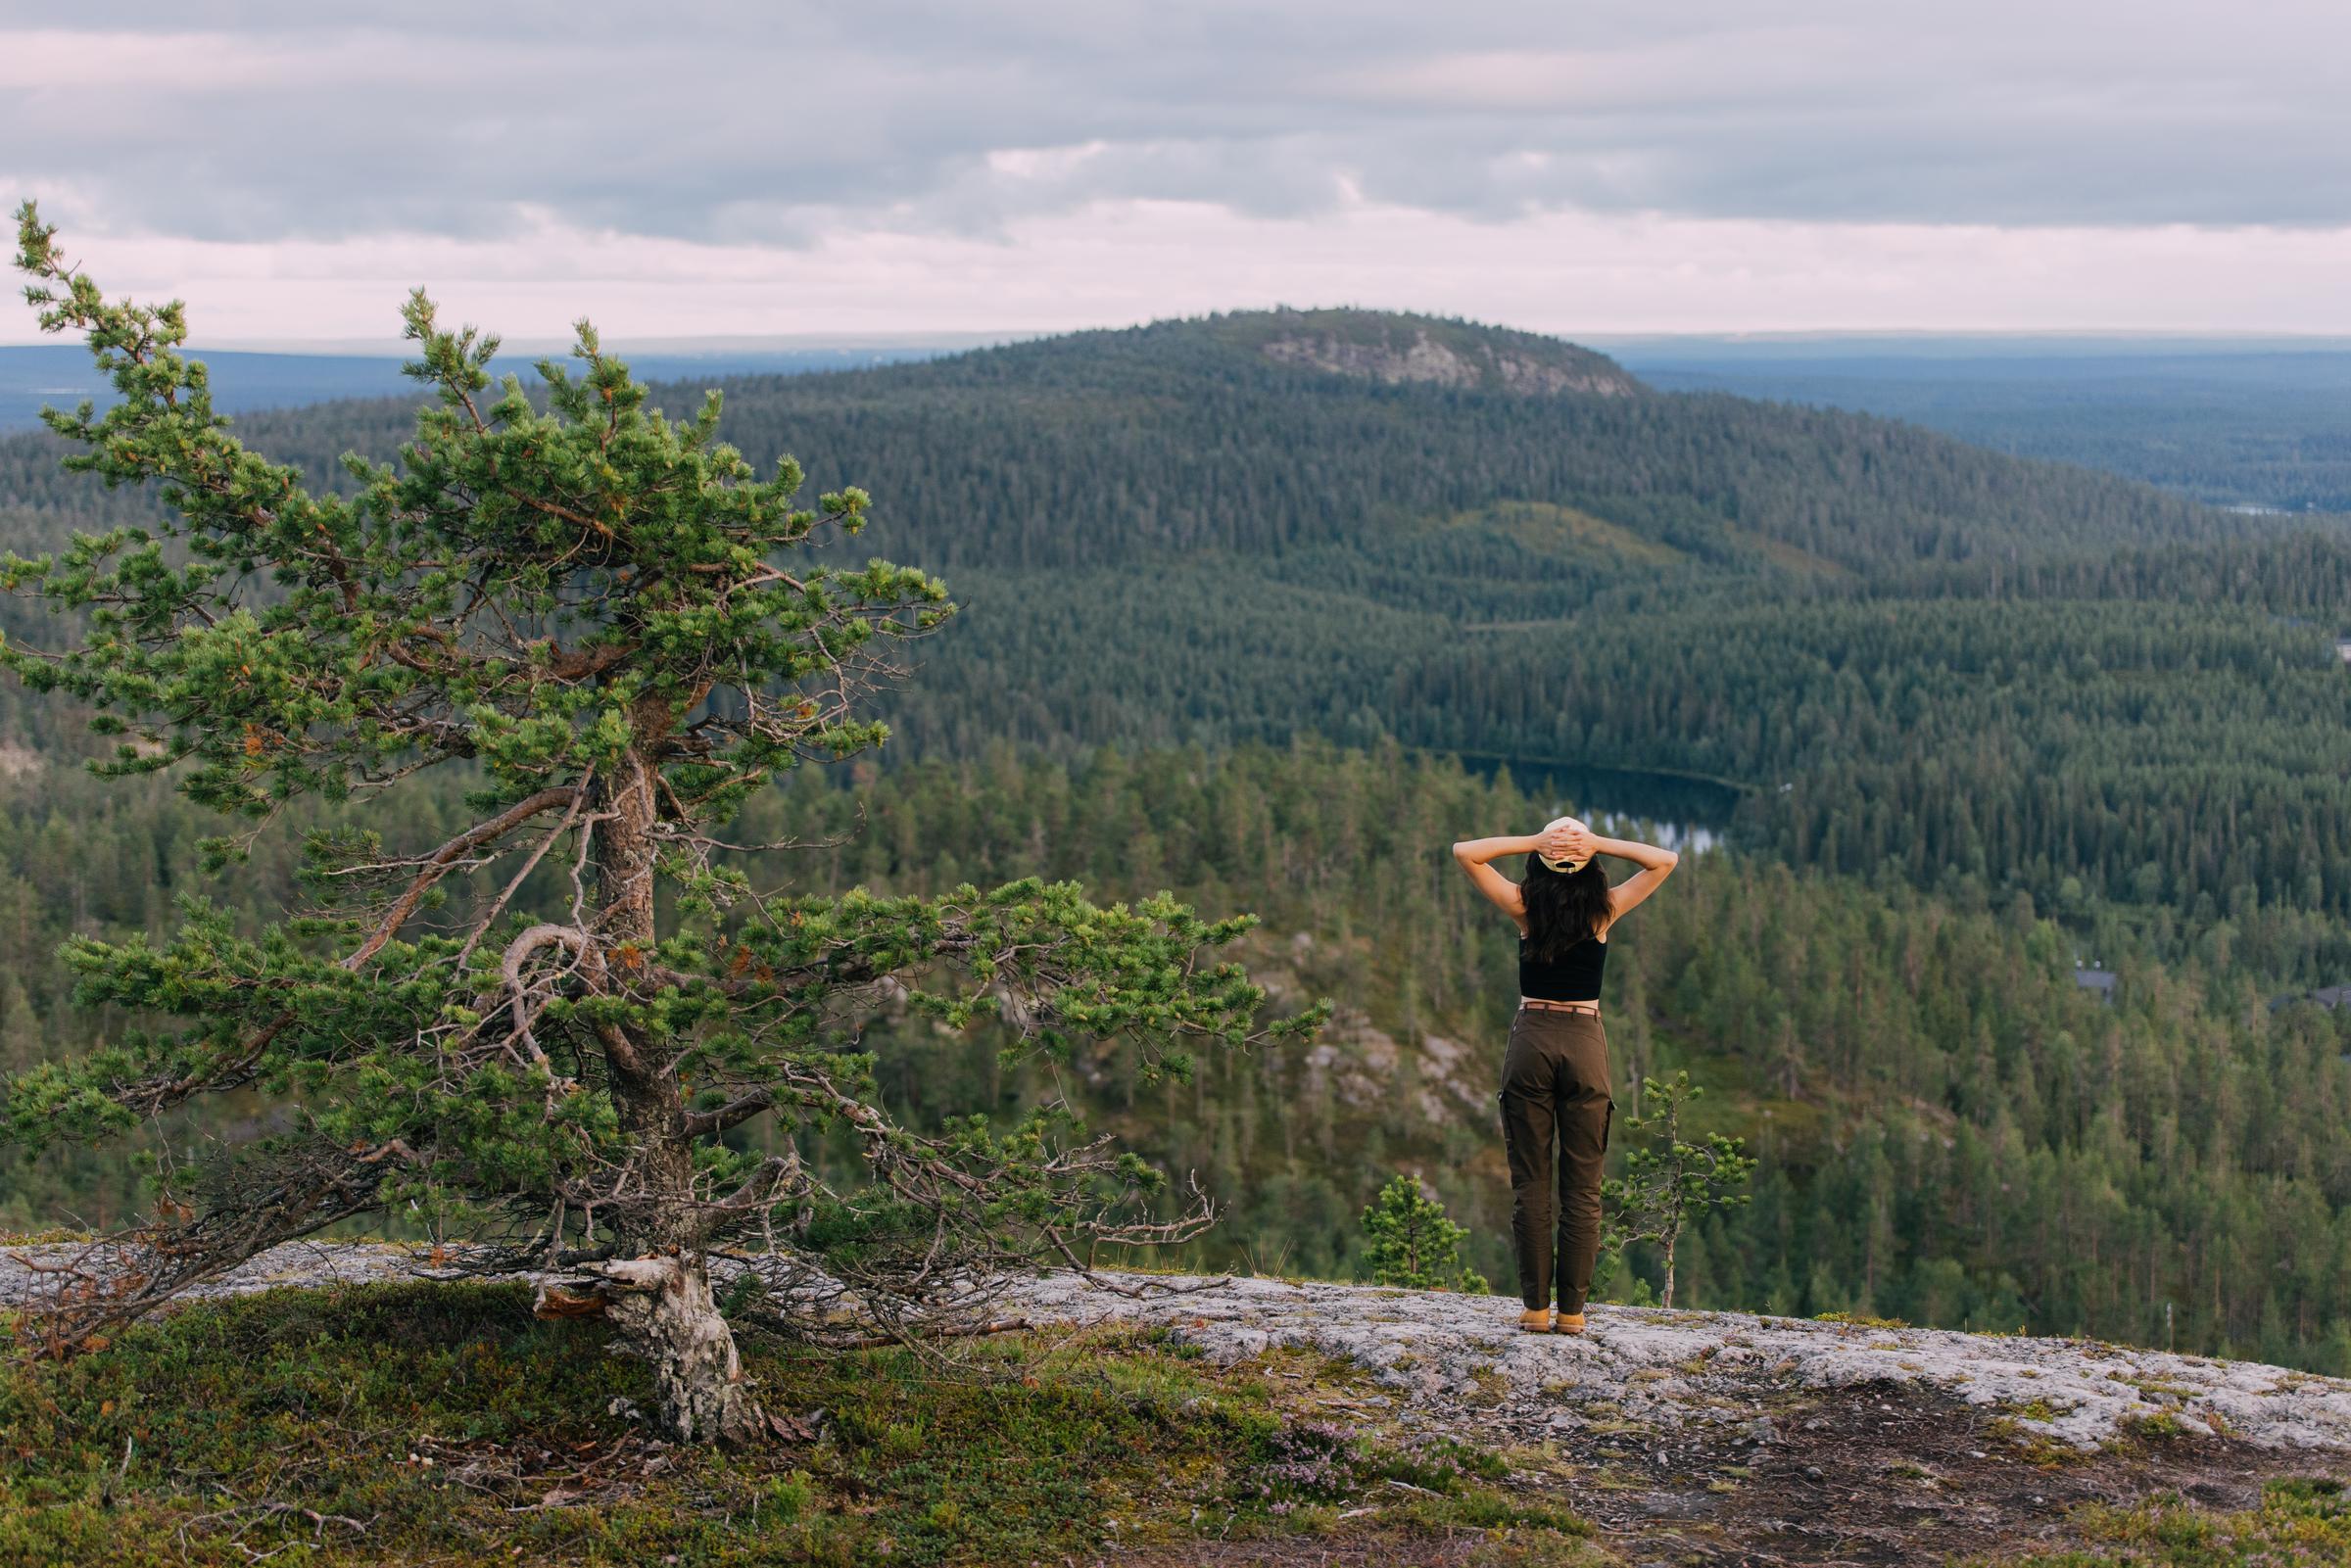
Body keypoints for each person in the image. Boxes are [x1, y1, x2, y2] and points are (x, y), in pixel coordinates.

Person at [1450, 815, 1680, 1334]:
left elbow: (1466, 851)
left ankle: (1535, 1309)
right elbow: (1665, 861)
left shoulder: (1524, 909)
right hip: (1584, 1042)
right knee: (1583, 1189)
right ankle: (1572, 1314)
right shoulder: (1604, 911)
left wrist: (1537, 841)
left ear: (1540, 865)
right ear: (1591, 868)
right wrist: (1595, 843)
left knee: (1531, 1185)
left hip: (1531, 1038)